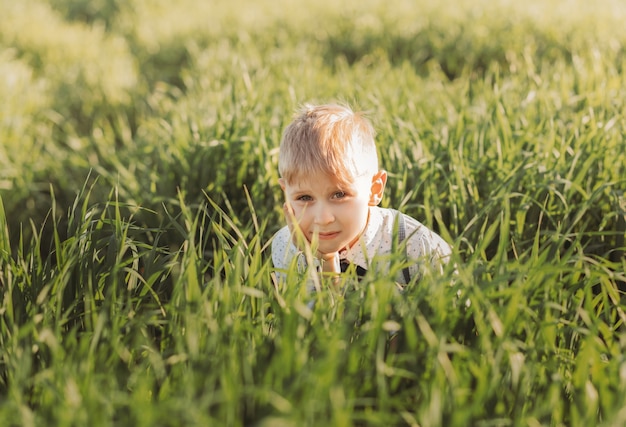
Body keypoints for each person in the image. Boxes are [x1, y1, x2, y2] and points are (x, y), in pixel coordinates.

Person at [271, 103, 452, 289]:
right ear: (286, 193)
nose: (323, 219)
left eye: (339, 194)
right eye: (305, 198)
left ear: (374, 189)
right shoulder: (284, 247)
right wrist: (326, 263)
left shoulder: (415, 246)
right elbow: (315, 317)